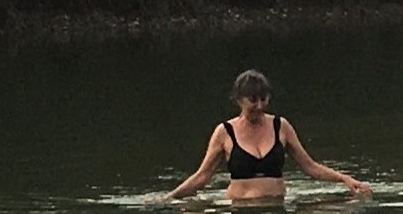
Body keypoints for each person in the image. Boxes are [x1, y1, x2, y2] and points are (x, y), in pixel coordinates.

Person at [157, 69, 372, 201]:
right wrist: (169, 197)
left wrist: (345, 179)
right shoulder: (224, 132)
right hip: (240, 213)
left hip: (276, 209)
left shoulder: (281, 125)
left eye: (264, 99)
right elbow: (203, 176)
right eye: (253, 100)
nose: (259, 106)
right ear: (239, 99)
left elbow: (309, 166)